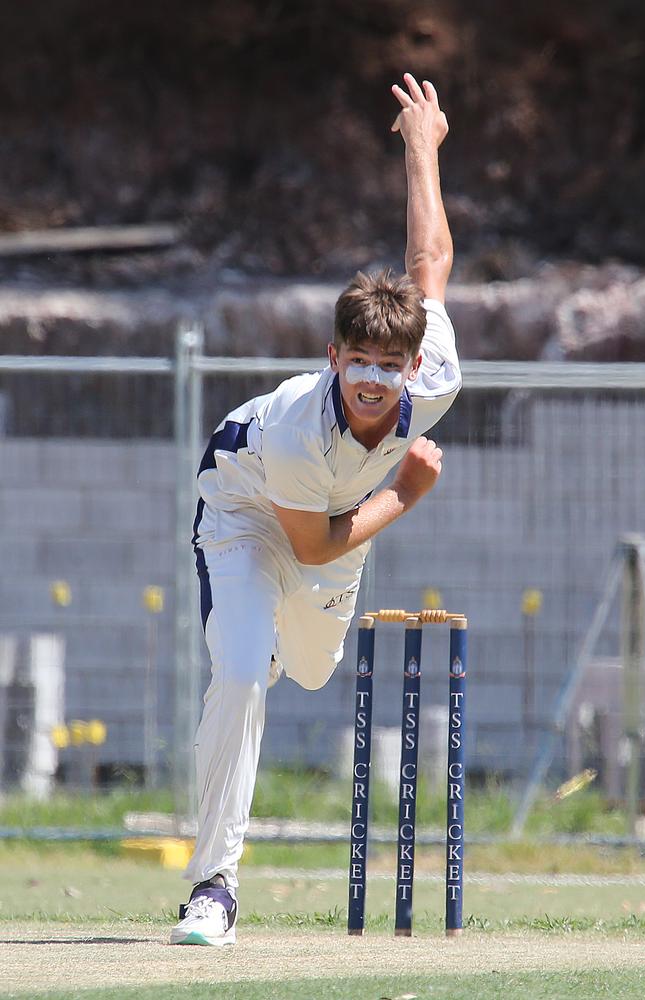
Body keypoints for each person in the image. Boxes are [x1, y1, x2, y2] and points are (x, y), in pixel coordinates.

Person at [170, 73, 461, 946]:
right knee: (241, 667)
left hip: (334, 525)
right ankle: (214, 886)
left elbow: (430, 263)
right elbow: (315, 541)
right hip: (249, 511)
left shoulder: (436, 374)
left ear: (414, 366)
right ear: (332, 356)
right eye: (358, 360)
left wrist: (421, 147)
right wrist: (403, 496)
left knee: (311, 666)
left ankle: (270, 648)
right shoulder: (301, 425)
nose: (373, 378)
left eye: (389, 362)